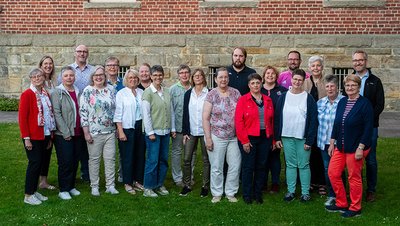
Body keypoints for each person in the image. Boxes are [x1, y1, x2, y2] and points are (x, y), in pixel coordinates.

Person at [326, 74, 373, 218]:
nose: (350, 88)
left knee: (354, 177)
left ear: (358, 87)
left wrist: (361, 147)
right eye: (347, 85)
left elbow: (368, 128)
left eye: (353, 85)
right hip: (340, 146)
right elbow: (337, 123)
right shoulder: (342, 102)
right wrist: (332, 142)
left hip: (356, 147)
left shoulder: (365, 104)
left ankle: (355, 207)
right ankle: (341, 202)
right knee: (333, 173)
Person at [274, 69, 318, 203]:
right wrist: (277, 138)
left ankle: (305, 193)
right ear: (291, 79)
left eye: (300, 80)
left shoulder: (308, 98)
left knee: (304, 165)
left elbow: (313, 121)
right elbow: (277, 119)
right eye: (295, 79)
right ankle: (291, 191)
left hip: (303, 137)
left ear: (303, 81)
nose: (297, 82)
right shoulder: (283, 97)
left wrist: (309, 140)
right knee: (291, 165)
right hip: (287, 136)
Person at [203, 67, 242, 203]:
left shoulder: (236, 93)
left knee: (235, 165)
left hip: (234, 137)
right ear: (215, 79)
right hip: (216, 135)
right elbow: (206, 118)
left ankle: (231, 192)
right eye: (220, 77)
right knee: (217, 166)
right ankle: (217, 193)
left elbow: (242, 114)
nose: (223, 79)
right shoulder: (211, 94)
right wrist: (208, 138)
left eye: (225, 77)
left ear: (228, 78)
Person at [235, 73, 274, 204]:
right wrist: (244, 141)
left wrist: (272, 139)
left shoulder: (267, 100)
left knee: (261, 166)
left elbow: (272, 121)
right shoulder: (243, 100)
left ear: (261, 84)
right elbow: (238, 122)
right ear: (249, 85)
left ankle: (258, 193)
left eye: (257, 83)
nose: (255, 85)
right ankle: (247, 194)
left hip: (265, 137)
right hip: (249, 138)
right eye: (253, 83)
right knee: (248, 167)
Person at [19, 68, 56, 205]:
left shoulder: (44, 93)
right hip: (32, 136)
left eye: (39, 76)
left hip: (44, 134)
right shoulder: (27, 94)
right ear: (31, 79)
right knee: (34, 164)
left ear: (43, 77)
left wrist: (50, 135)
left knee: (40, 164)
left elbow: (49, 116)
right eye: (34, 77)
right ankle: (28, 195)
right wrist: (26, 138)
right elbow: (22, 118)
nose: (37, 78)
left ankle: (34, 191)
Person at [80, 65, 119, 196]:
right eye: (96, 75)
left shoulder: (111, 89)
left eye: (101, 75)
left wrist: (118, 128)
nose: (98, 77)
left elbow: (116, 110)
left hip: (110, 131)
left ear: (105, 76)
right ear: (92, 77)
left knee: (110, 159)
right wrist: (86, 132)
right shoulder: (87, 91)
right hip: (94, 132)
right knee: (94, 160)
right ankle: (94, 186)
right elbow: (83, 112)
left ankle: (110, 185)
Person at [351, 50, 385, 202]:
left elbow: (380, 104)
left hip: (370, 126)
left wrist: (368, 120)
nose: (358, 63)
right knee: (352, 157)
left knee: (370, 159)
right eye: (355, 60)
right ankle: (354, 187)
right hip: (353, 127)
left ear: (366, 61)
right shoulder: (349, 79)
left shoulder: (375, 81)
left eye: (360, 60)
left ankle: (371, 189)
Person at [60, 44, 94, 182]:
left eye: (85, 51)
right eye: (79, 51)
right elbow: (59, 90)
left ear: (88, 54)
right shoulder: (68, 69)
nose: (82, 54)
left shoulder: (92, 70)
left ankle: (86, 174)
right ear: (75, 53)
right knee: (70, 153)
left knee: (86, 148)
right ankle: (69, 178)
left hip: (89, 112)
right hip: (70, 111)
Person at [51, 66, 84, 200]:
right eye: (66, 76)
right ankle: (63, 189)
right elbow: (56, 114)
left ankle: (71, 186)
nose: (69, 78)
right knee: (66, 161)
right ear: (61, 78)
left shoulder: (77, 91)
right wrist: (65, 132)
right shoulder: (57, 92)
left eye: (71, 75)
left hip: (77, 132)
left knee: (75, 160)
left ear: (74, 77)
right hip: (63, 134)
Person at [142, 65, 175, 198]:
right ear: (151, 76)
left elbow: (171, 111)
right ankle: (148, 187)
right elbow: (146, 114)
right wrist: (150, 132)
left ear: (163, 76)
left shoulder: (167, 91)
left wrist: (172, 129)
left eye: (160, 75)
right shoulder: (147, 93)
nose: (158, 77)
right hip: (153, 133)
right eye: (155, 75)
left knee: (163, 160)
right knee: (152, 160)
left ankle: (159, 184)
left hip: (165, 131)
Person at [113, 69, 145, 195]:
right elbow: (118, 114)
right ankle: (127, 182)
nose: (133, 80)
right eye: (130, 78)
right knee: (127, 156)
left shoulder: (142, 92)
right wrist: (120, 131)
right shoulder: (121, 94)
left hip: (140, 127)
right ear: (126, 79)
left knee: (140, 155)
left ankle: (137, 180)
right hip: (127, 127)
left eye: (135, 78)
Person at [180, 69, 210, 197]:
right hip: (191, 131)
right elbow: (185, 113)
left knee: (206, 159)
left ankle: (205, 186)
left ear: (203, 78)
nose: (197, 77)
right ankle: (187, 185)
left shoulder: (209, 93)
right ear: (192, 78)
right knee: (186, 158)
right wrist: (185, 131)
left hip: (205, 131)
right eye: (195, 76)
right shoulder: (188, 94)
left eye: (200, 75)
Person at [316, 74, 344, 206]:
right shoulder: (320, 103)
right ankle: (332, 194)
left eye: (332, 86)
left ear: (337, 87)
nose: (330, 88)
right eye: (327, 86)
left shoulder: (344, 102)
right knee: (328, 169)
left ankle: (341, 194)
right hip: (324, 142)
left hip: (339, 143)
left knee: (338, 170)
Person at [261, 66, 287, 194]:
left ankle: (275, 183)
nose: (270, 75)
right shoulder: (258, 89)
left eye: (273, 74)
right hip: (262, 129)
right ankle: (263, 182)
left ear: (277, 77)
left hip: (276, 128)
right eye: (267, 73)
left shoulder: (282, 91)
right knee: (263, 157)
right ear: (264, 75)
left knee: (275, 157)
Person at [304, 55, 327, 196]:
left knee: (321, 153)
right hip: (308, 123)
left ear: (322, 67)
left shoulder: (327, 82)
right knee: (310, 153)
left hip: (323, 124)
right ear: (309, 68)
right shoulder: (305, 82)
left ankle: (323, 183)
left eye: (318, 65)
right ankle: (311, 181)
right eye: (313, 66)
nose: (316, 68)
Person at [170, 64, 192, 187]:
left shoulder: (194, 88)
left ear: (189, 74)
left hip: (191, 128)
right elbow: (171, 110)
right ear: (178, 75)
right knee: (177, 152)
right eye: (181, 73)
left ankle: (190, 176)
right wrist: (172, 127)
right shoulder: (173, 90)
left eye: (186, 72)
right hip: (178, 127)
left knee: (191, 153)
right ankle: (177, 178)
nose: (184, 75)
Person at [37, 55, 56, 190]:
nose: (48, 66)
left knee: (48, 151)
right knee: (39, 153)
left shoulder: (53, 82)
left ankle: (43, 181)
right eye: (45, 64)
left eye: (50, 64)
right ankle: (35, 180)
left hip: (52, 122)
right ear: (41, 66)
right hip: (41, 123)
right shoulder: (38, 82)